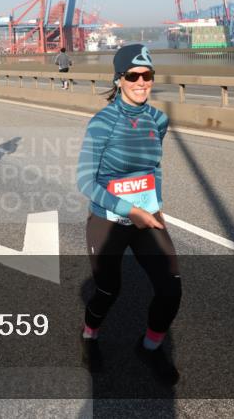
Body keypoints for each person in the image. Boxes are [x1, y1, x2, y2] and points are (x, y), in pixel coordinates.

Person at [76, 44, 180, 384]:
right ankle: (90, 336)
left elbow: (154, 166)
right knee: (108, 289)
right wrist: (128, 209)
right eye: (133, 76)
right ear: (119, 79)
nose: (141, 82)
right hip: (108, 218)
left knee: (171, 289)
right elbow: (84, 181)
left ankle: (149, 347)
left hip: (146, 215)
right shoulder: (102, 122)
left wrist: (156, 204)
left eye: (147, 76)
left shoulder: (158, 120)